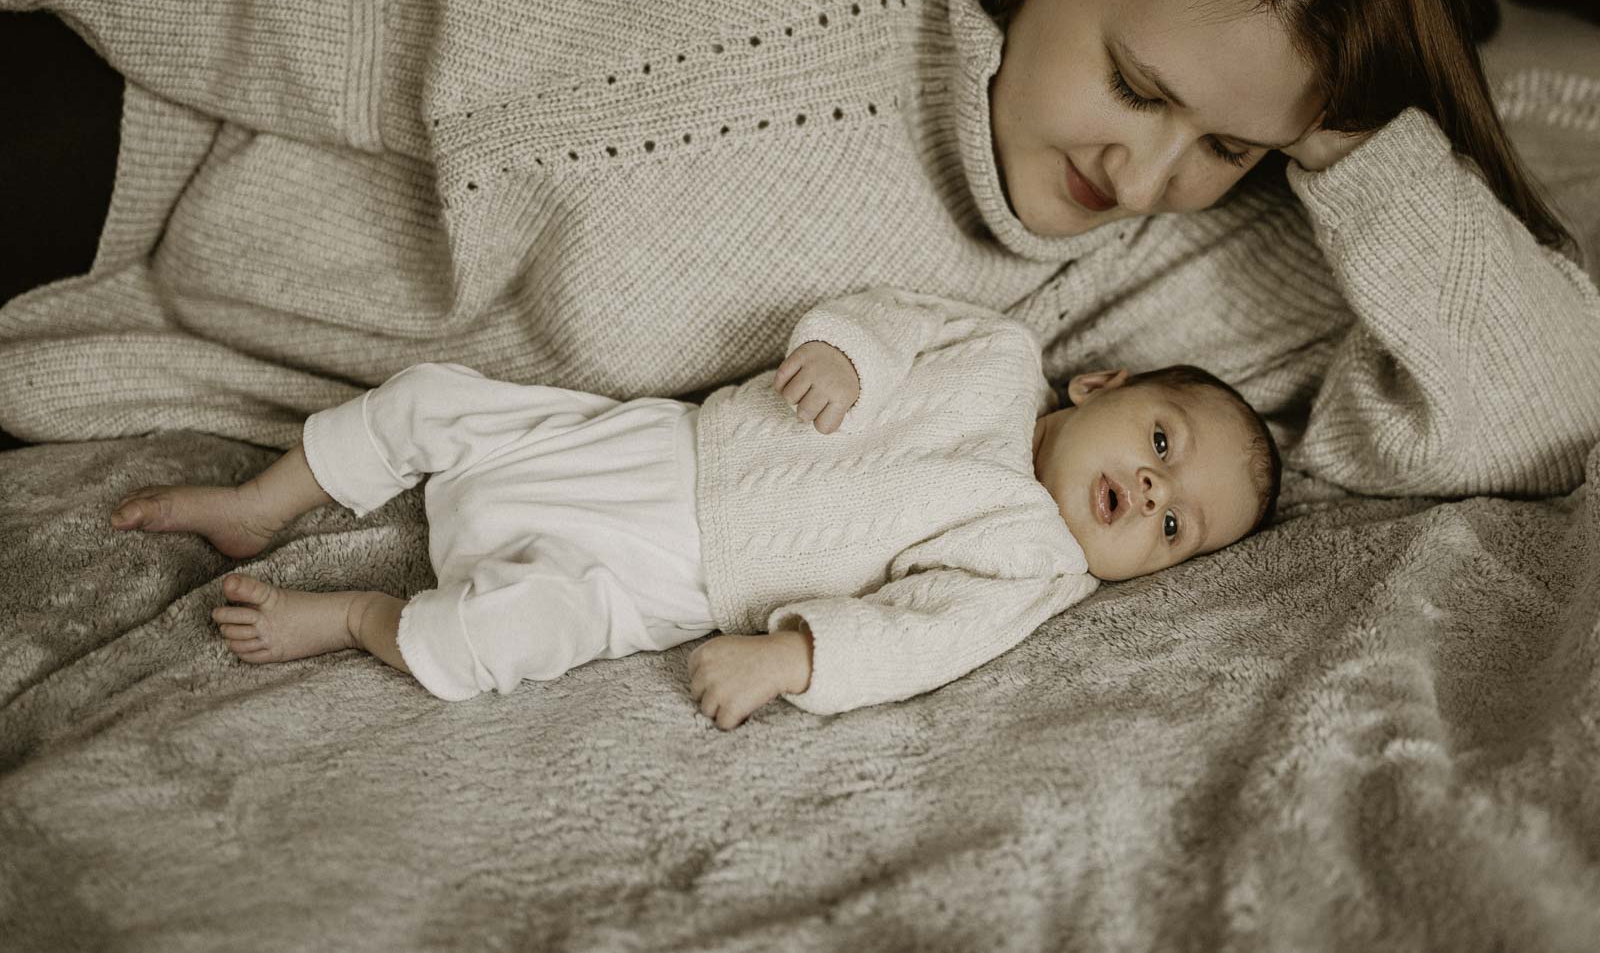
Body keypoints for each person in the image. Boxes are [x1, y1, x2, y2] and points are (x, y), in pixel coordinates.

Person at [0, 0, 1600, 499]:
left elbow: (1544, 414)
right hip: (139, 121)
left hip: (142, 336)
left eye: (1232, 143)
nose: (1141, 174)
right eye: (1136, 86)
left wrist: (1355, 135)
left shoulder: (1178, 265)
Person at [107, 289, 1282, 729]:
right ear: (1104, 386)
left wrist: (792, 659)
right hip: (659, 444)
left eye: (1173, 527)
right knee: (431, 400)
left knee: (511, 634)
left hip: (670, 584)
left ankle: (357, 616)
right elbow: (890, 318)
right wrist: (845, 358)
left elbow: (923, 634)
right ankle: (263, 500)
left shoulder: (1032, 564)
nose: (1151, 493)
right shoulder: (1001, 355)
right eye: (1164, 445)